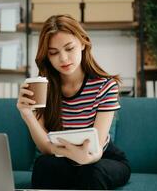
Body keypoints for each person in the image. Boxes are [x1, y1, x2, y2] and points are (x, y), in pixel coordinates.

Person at [17, 14, 130, 190]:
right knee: (44, 166)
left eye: (69, 48)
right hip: (63, 157)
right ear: (47, 56)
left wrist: (86, 159)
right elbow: (46, 149)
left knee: (91, 172)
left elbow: (96, 149)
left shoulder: (105, 86)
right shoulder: (43, 87)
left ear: (83, 43)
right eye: (54, 53)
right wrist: (27, 115)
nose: (63, 58)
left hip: (102, 157)